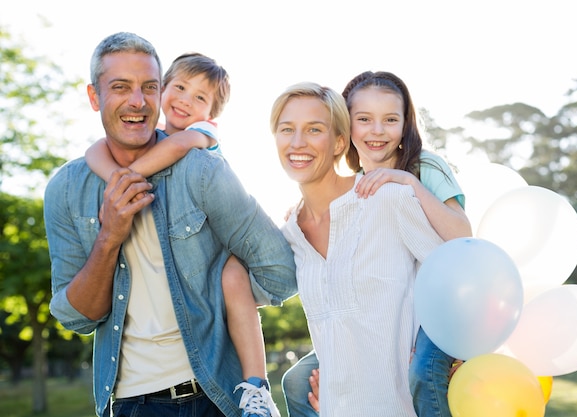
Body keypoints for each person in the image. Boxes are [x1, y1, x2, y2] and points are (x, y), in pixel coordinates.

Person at [43, 32, 297, 417]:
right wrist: (109, 237)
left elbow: (280, 272)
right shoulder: (66, 189)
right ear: (94, 97)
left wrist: (223, 298)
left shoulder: (202, 166)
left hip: (215, 397)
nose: (137, 100)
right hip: (131, 404)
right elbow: (76, 317)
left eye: (148, 87)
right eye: (120, 87)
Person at [280, 71, 472, 416]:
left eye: (390, 120)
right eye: (364, 119)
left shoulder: (422, 166)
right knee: (297, 381)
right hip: (388, 307)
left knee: (422, 374)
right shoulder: (360, 187)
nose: (377, 131)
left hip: (437, 301)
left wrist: (408, 183)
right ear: (345, 126)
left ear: (405, 125)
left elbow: (461, 237)